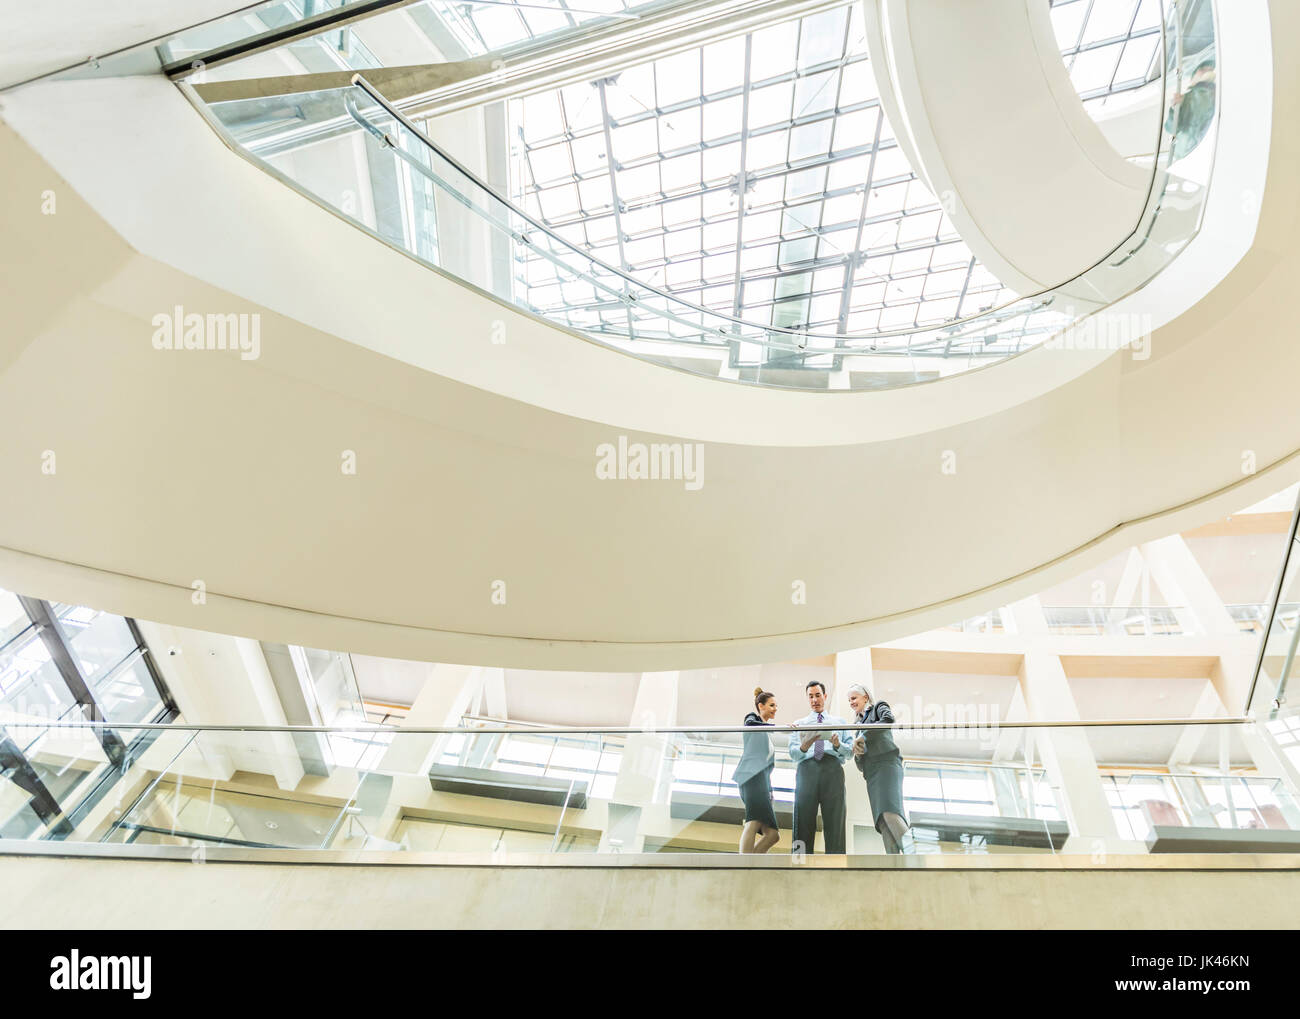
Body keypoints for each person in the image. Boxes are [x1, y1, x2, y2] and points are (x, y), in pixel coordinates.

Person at [788, 680, 852, 854]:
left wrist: (838, 745)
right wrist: (805, 745)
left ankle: (836, 862)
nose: (814, 700)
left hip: (832, 769)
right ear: (807, 699)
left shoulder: (839, 722)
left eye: (817, 695)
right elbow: (793, 754)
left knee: (835, 818)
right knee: (802, 817)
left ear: (825, 696)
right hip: (807, 769)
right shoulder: (799, 724)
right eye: (811, 696)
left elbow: (850, 752)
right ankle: (799, 861)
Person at [846, 683, 910, 854]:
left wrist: (864, 737)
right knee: (882, 821)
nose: (851, 702)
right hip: (871, 773)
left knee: (890, 812)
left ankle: (916, 856)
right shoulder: (857, 727)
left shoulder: (878, 707)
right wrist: (858, 754)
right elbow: (860, 765)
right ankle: (894, 865)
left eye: (854, 698)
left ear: (865, 697)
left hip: (886, 765)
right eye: (849, 700)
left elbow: (888, 720)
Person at [731, 687, 780, 854]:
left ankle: (750, 863)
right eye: (772, 705)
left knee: (772, 834)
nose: (775, 709)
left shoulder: (767, 737)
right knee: (753, 821)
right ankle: (744, 865)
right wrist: (773, 727)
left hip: (761, 782)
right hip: (750, 777)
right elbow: (750, 724)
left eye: (776, 705)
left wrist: (770, 790)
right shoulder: (752, 718)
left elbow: (766, 767)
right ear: (761, 706)